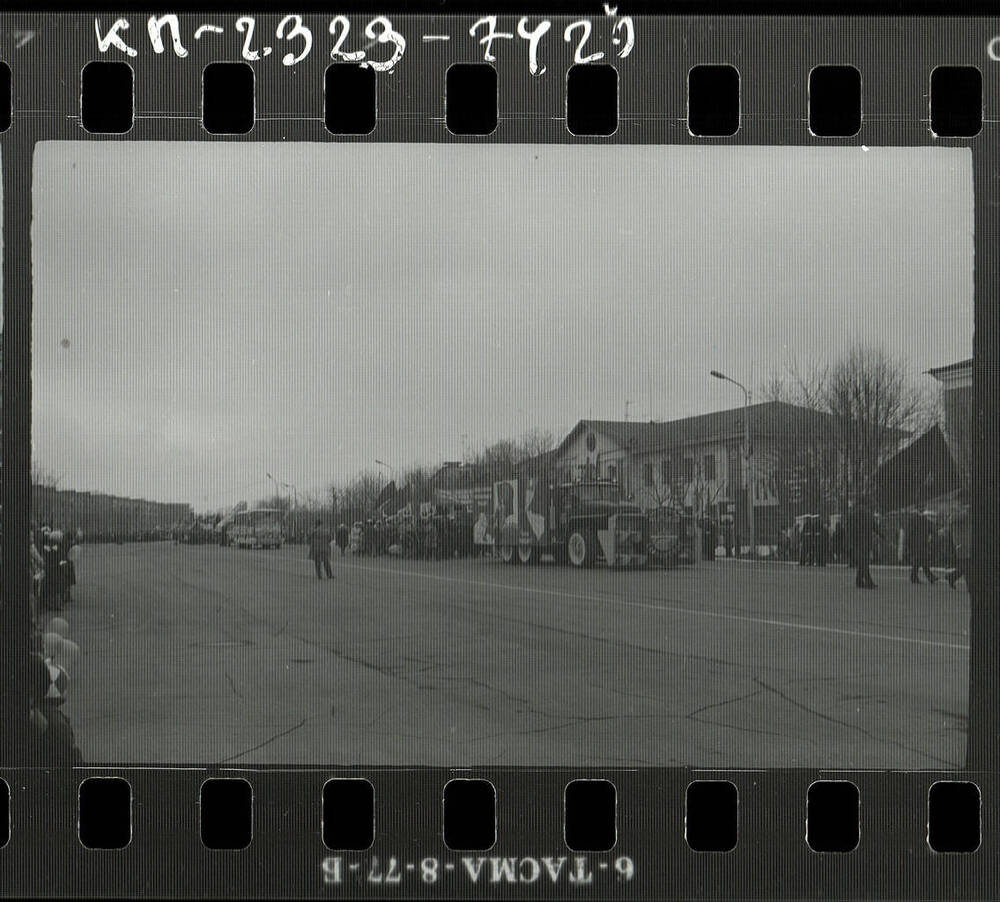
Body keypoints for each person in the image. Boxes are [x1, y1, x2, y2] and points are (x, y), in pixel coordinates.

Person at [844, 496, 882, 589]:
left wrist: (850, 543)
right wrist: (882, 535)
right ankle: (866, 581)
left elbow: (849, 529)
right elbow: (875, 527)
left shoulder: (853, 514)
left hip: (857, 541)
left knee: (862, 561)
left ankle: (860, 580)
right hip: (867, 541)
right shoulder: (869, 514)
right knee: (864, 561)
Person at [903, 507, 938, 584]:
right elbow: (932, 530)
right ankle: (928, 577)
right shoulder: (925, 521)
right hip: (922, 543)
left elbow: (908, 533)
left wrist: (906, 544)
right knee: (920, 559)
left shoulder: (912, 521)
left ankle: (919, 577)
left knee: (920, 560)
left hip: (914, 544)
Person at [946, 495, 971, 591]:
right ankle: (970, 586)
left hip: (967, 542)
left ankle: (952, 577)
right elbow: (958, 517)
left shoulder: (962, 513)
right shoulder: (958, 514)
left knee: (967, 565)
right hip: (961, 544)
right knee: (967, 565)